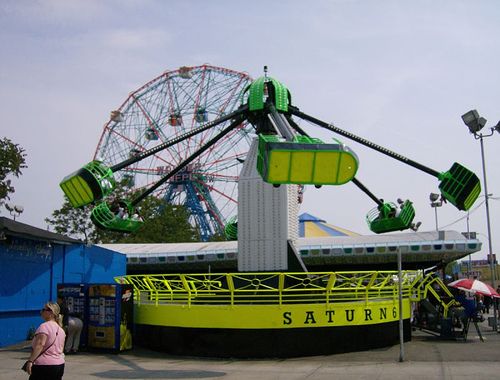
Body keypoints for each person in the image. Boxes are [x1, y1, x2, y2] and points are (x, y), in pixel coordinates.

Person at [24, 302, 66, 379]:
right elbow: (61, 349)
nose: (41, 311)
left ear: (51, 313)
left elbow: (40, 345)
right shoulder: (61, 330)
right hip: (59, 365)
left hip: (44, 365)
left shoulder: (44, 326)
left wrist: (30, 361)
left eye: (44, 309)